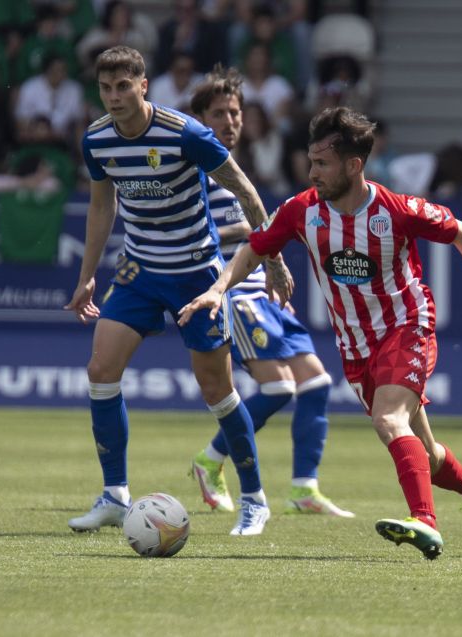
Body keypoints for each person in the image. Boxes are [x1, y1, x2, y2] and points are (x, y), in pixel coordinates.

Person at [179, 107, 462, 559]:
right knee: (428, 455)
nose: (312, 173)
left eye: (322, 164)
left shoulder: (396, 210)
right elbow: (254, 248)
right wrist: (217, 289)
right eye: (310, 162)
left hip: (408, 324)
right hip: (356, 346)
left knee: (389, 420)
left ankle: (425, 522)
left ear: (354, 165)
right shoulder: (302, 211)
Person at [64, 46, 293, 537]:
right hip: (140, 271)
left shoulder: (184, 133)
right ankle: (114, 495)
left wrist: (273, 261)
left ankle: (254, 498)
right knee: (101, 370)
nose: (114, 97)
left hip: (196, 274)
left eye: (124, 86)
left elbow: (247, 191)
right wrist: (87, 274)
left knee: (217, 390)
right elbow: (102, 208)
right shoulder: (97, 140)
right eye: (106, 88)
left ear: (144, 85)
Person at [188, 65, 353, 518]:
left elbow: (259, 234)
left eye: (236, 111)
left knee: (316, 383)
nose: (231, 121)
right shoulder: (195, 169)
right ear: (198, 117)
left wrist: (273, 258)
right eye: (219, 112)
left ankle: (304, 488)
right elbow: (194, 237)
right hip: (234, 294)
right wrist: (260, 230)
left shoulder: (235, 169)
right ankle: (210, 459)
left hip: (263, 291)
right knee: (279, 388)